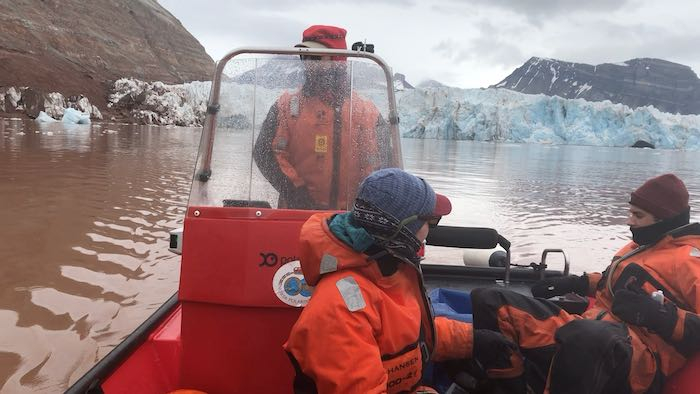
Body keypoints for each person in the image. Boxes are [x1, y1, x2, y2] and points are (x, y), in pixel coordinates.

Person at [283, 168, 516, 393]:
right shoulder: (340, 309)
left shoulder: (392, 272)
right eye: (430, 221)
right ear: (403, 229)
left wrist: (473, 340)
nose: (430, 230)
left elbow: (413, 335)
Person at [470, 173, 700, 394]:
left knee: (584, 336)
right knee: (489, 300)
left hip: (637, 360)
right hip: (591, 328)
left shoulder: (690, 262)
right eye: (631, 213)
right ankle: (511, 387)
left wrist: (660, 315)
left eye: (638, 216)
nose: (630, 221)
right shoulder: (639, 246)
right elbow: (612, 282)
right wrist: (577, 283)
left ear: (663, 220)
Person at [253, 24, 386, 210]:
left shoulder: (367, 112)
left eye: (315, 57)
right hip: (296, 218)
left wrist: (365, 204)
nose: (308, 63)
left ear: (337, 59)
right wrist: (296, 193)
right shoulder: (286, 107)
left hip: (351, 222)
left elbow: (385, 165)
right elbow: (264, 153)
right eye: (304, 56)